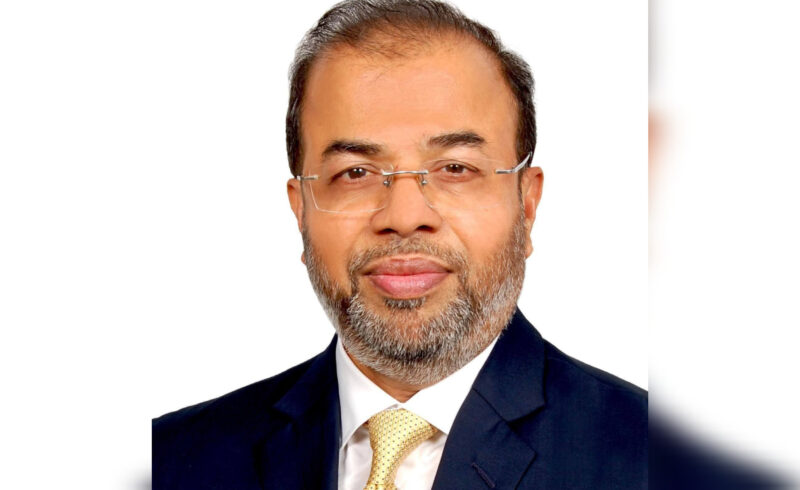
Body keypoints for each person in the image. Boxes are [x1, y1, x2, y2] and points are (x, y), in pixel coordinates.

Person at [152, 1, 647, 488]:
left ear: (527, 205)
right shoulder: (169, 461)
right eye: (356, 173)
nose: (405, 216)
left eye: (455, 168)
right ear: (301, 210)